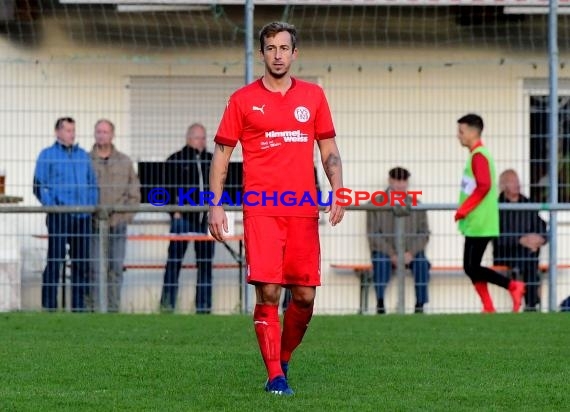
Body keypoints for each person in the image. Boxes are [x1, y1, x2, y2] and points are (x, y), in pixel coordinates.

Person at [208, 21, 344, 396]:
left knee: (304, 297)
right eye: (271, 48)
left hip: (302, 210)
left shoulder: (314, 96)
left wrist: (338, 189)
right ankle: (275, 377)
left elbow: (328, 149)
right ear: (262, 53)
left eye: (284, 48)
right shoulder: (242, 100)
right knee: (268, 292)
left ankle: (281, 359)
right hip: (261, 210)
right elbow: (221, 154)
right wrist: (216, 205)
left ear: (294, 54)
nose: (278, 55)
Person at [455, 113, 526, 313]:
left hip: (480, 221)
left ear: (471, 132)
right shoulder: (476, 155)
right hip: (476, 220)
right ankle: (488, 306)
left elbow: (484, 186)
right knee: (471, 267)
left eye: (461, 131)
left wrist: (464, 209)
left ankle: (513, 286)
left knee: (471, 267)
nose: (458, 136)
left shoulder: (479, 155)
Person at [33, 117, 98, 312]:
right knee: (55, 260)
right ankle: (49, 307)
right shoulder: (47, 155)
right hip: (59, 216)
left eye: (73, 130)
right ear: (58, 132)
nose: (72, 134)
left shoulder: (83, 156)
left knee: (81, 262)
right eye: (68, 130)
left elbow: (92, 184)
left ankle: (79, 308)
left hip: (82, 217)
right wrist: (53, 207)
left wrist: (90, 206)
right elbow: (39, 185)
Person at [160, 123, 216, 314]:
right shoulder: (175, 159)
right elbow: (164, 190)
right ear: (189, 138)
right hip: (182, 219)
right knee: (174, 263)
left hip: (206, 220)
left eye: (204, 137)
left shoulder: (212, 160)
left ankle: (204, 308)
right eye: (198, 137)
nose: (202, 141)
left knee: (206, 264)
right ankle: (167, 306)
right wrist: (173, 211)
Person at [89, 119, 141, 312]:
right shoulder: (85, 160)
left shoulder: (125, 162)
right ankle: (95, 309)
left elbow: (134, 194)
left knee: (116, 268)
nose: (102, 135)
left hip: (118, 224)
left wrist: (126, 217)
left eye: (105, 132)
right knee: (95, 269)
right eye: (99, 132)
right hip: (94, 225)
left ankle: (113, 309)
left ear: (112, 135)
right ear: (95, 134)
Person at [366, 167, 431, 314]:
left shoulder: (417, 204)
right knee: (380, 261)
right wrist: (391, 254)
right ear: (390, 180)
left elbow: (424, 233)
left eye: (403, 180)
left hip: (410, 252)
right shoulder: (375, 203)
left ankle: (419, 306)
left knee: (422, 263)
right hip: (385, 251)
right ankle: (380, 304)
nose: (400, 184)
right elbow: (373, 234)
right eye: (397, 180)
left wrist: (411, 253)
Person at [493, 169, 547, 312]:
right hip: (506, 253)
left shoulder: (527, 203)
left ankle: (529, 305)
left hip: (528, 253)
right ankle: (531, 304)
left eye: (517, 180)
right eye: (513, 181)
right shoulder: (496, 207)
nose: (517, 184)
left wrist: (539, 239)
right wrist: (520, 239)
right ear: (504, 186)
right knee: (529, 259)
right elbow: (497, 236)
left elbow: (542, 226)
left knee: (529, 259)